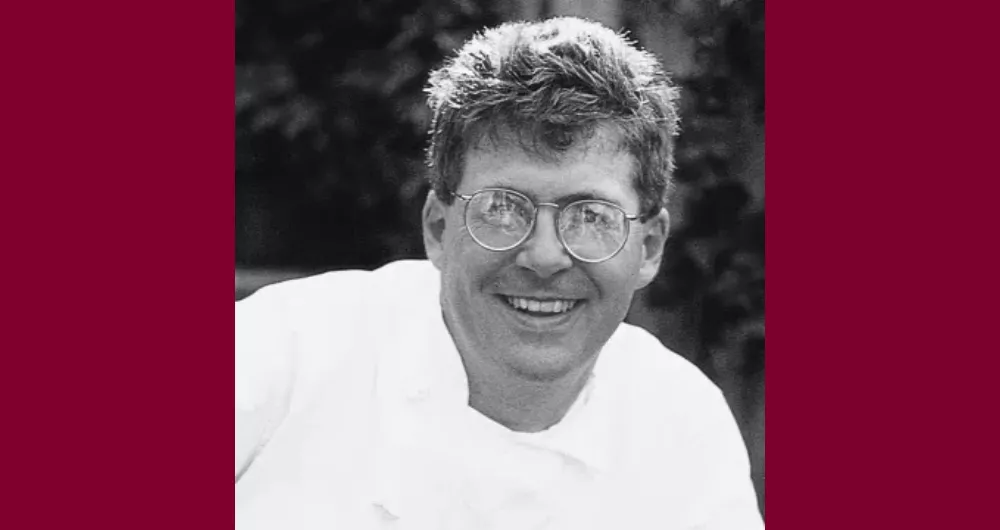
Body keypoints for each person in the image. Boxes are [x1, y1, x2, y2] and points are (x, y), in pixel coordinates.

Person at [236, 16, 764, 529]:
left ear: (648, 246)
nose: (544, 257)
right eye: (502, 208)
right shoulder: (286, 351)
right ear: (438, 228)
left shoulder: (680, 426)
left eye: (590, 217)